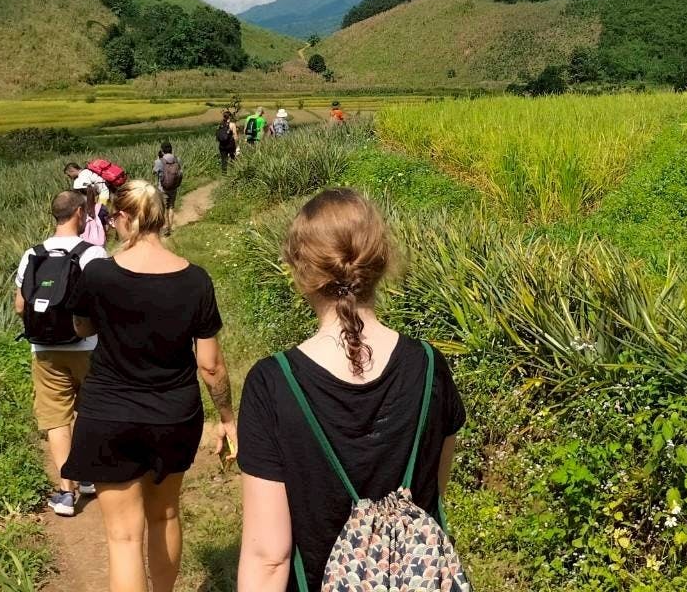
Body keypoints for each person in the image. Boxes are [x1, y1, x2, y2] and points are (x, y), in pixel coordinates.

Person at [236, 189, 467, 592]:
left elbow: (269, 556)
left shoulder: (272, 384)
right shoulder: (429, 367)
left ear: (300, 271)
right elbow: (431, 496)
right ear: (380, 262)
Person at [63, 180, 236, 592]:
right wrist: (228, 418)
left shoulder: (99, 273)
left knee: (123, 538)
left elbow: (82, 325)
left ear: (122, 218)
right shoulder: (196, 280)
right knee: (166, 516)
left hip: (108, 412)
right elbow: (210, 366)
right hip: (173, 414)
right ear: (163, 218)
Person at [14, 190, 109, 517]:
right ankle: (90, 479)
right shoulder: (92, 254)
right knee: (91, 411)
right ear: (80, 213)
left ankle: (66, 492)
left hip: (44, 350)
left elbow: (19, 306)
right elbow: (107, 303)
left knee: (56, 418)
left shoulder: (32, 254)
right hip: (87, 347)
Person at [152, 142, 183, 235]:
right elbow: (180, 172)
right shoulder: (177, 159)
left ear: (162, 150)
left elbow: (154, 172)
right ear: (171, 149)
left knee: (164, 208)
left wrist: (158, 159)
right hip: (174, 187)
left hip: (163, 189)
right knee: (171, 207)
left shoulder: (159, 162)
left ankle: (165, 228)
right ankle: (171, 227)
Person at [216, 110, 239, 174]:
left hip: (222, 145)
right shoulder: (232, 124)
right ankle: (233, 172)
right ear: (230, 117)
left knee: (224, 159)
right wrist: (237, 144)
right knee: (232, 158)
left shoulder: (220, 124)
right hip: (230, 144)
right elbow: (235, 135)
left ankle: (224, 173)